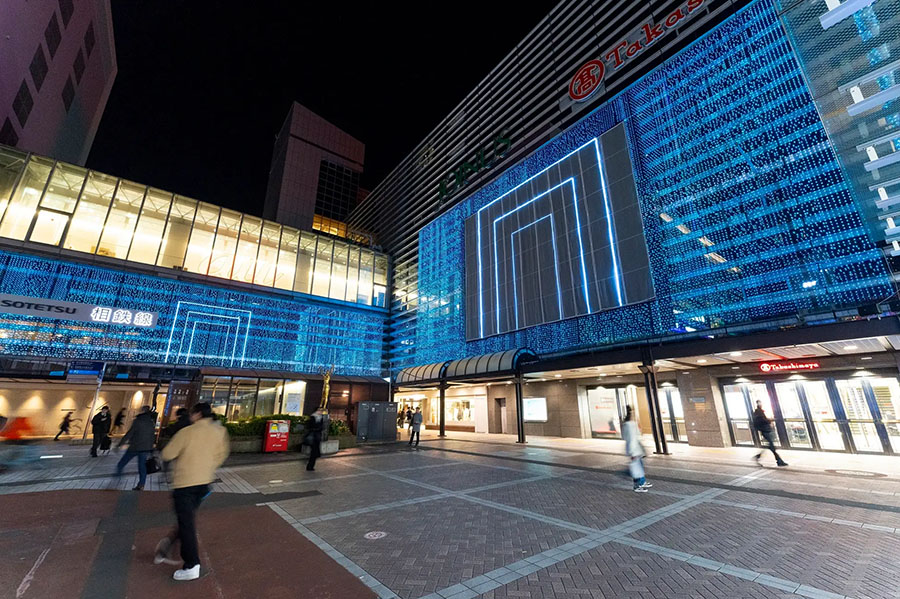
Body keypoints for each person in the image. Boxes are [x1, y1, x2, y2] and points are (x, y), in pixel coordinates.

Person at [159, 402, 229, 581]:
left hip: (185, 484)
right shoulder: (219, 432)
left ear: (197, 414)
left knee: (187, 523)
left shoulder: (187, 432)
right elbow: (222, 454)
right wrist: (208, 465)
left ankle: (191, 565)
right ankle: (169, 543)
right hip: (204, 483)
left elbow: (167, 454)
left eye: (192, 413)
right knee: (187, 519)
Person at [114, 406, 157, 491]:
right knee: (142, 467)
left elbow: (129, 434)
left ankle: (117, 481)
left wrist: (120, 444)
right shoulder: (151, 422)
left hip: (134, 447)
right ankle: (141, 485)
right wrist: (151, 448)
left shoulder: (138, 421)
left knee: (121, 464)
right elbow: (152, 436)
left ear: (142, 411)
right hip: (145, 448)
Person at [622, 406, 651, 492]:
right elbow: (631, 439)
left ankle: (642, 482)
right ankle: (637, 485)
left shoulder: (630, 424)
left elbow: (635, 436)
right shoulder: (629, 425)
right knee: (636, 468)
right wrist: (632, 452)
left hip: (636, 449)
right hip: (634, 450)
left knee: (639, 467)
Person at [752, 401, 788, 467]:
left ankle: (759, 457)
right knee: (771, 446)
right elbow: (763, 420)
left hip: (765, 430)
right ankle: (779, 461)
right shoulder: (759, 412)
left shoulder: (759, 412)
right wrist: (770, 420)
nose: (761, 404)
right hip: (765, 430)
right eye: (760, 403)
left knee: (770, 446)